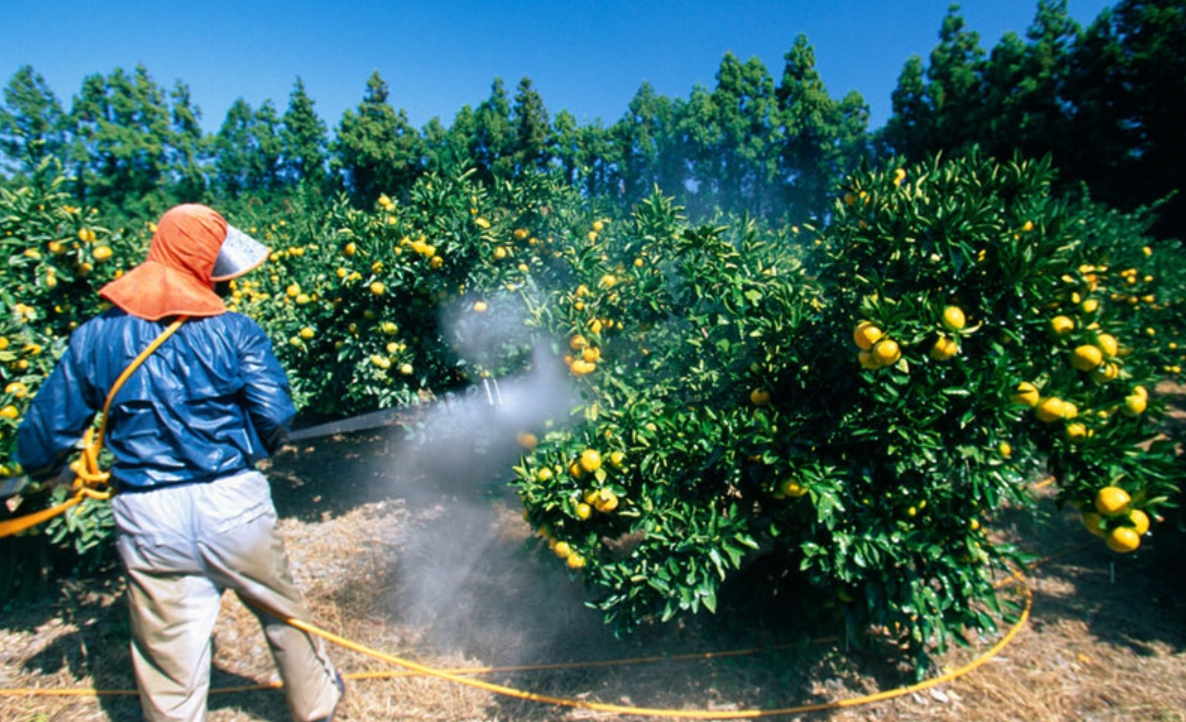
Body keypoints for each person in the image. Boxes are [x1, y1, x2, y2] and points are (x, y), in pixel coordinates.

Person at [17, 204, 344, 722]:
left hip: (149, 514)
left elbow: (43, 436)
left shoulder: (96, 335)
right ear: (201, 263)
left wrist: (47, 472)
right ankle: (317, 705)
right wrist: (246, 445)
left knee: (169, 651)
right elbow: (274, 418)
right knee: (284, 615)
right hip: (232, 502)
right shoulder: (235, 331)